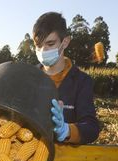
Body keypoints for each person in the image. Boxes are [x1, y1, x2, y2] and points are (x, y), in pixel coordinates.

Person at [33, 12, 100, 144]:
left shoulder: (81, 81)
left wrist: (67, 130)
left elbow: (91, 128)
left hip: (65, 156)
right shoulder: (28, 78)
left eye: (50, 44)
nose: (43, 50)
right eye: (39, 45)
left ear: (65, 42)